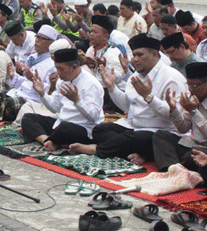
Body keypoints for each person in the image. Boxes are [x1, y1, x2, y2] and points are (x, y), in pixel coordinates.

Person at [70, 34, 187, 164]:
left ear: (154, 54)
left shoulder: (171, 77)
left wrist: (149, 97)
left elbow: (174, 117)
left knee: (136, 139)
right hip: (133, 127)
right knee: (99, 130)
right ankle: (141, 153)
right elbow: (126, 106)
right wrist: (112, 87)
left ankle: (98, 150)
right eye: (134, 55)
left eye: (140, 55)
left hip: (158, 131)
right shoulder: (135, 76)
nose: (135, 59)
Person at [21, 48, 104, 149]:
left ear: (74, 67)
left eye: (61, 69)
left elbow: (94, 117)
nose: (58, 73)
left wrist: (77, 101)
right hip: (60, 125)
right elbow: (54, 107)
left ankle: (48, 139)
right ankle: (49, 141)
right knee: (28, 118)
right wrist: (42, 92)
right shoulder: (62, 81)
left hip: (83, 129)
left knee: (64, 128)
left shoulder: (91, 84)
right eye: (56, 68)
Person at [152, 62, 207, 171]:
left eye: (194, 85)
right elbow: (183, 128)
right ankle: (172, 170)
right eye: (188, 84)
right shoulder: (194, 96)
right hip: (193, 144)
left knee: (190, 158)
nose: (190, 89)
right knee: (160, 136)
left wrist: (193, 111)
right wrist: (174, 109)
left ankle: (175, 169)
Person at [84, 15, 126, 113]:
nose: (91, 35)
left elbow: (118, 76)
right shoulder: (90, 49)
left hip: (109, 93)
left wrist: (104, 67)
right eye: (91, 31)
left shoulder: (113, 52)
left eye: (95, 32)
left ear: (105, 36)